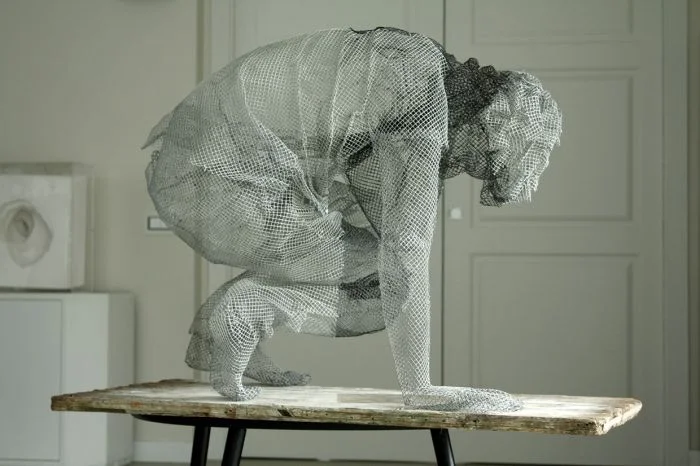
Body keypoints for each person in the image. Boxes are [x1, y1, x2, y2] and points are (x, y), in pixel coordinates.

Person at [142, 26, 562, 412]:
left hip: (210, 171)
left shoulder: (417, 67)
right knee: (387, 277)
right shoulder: (420, 94)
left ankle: (221, 332)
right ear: (484, 123)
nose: (474, 168)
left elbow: (379, 211)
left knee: (375, 263)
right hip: (216, 181)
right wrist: (421, 388)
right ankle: (245, 311)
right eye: (486, 158)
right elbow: (405, 247)